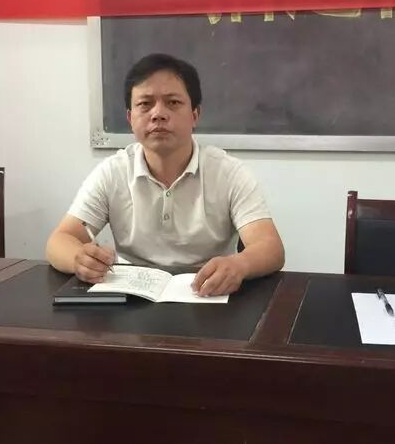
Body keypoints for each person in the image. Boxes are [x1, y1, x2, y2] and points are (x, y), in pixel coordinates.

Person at [46, 53, 285, 296]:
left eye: (173, 102)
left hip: (208, 294)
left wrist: (239, 265)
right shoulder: (112, 172)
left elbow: (270, 247)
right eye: (145, 104)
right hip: (132, 296)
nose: (158, 114)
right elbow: (60, 240)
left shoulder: (229, 173)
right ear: (130, 118)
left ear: (194, 115)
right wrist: (78, 258)